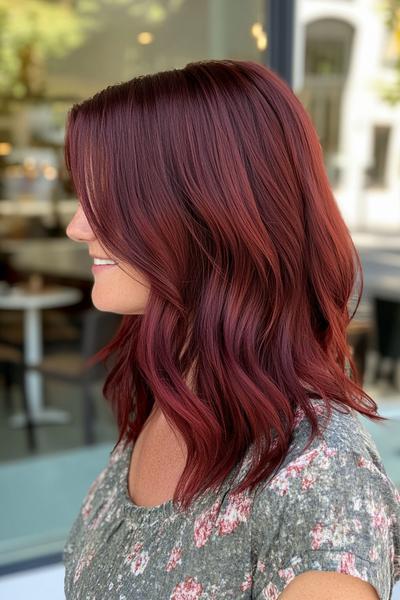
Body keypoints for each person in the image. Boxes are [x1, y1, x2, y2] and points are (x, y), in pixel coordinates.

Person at [63, 59, 400, 600]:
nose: (77, 225)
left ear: (206, 212)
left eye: (109, 197)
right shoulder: (173, 396)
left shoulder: (322, 486)